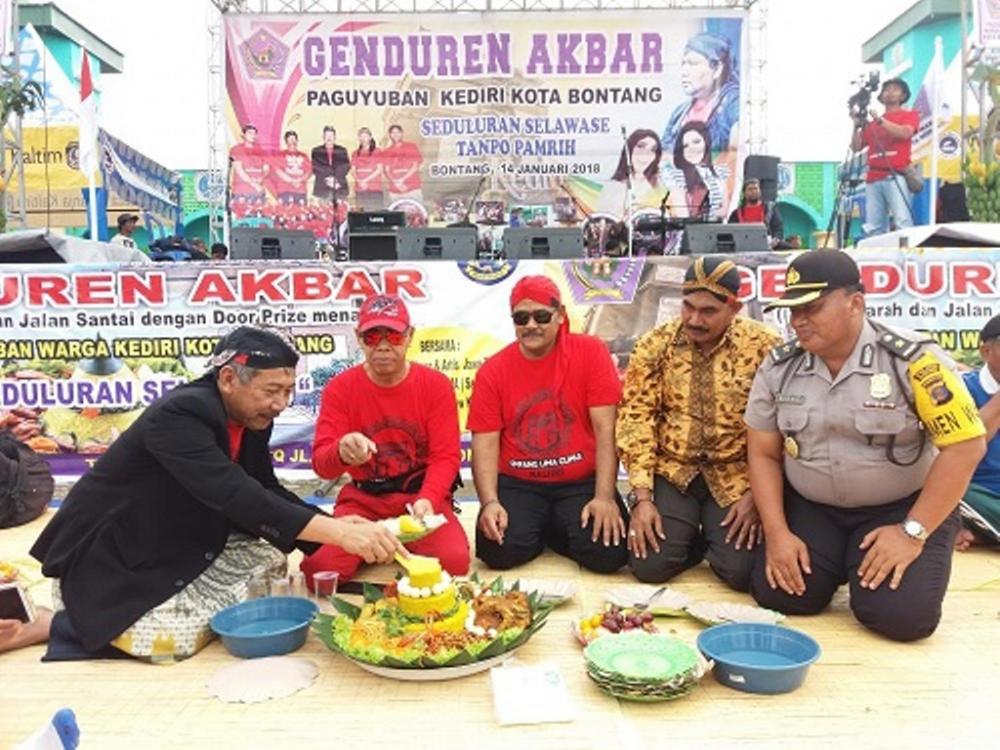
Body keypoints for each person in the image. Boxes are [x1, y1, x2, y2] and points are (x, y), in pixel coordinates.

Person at [29, 327, 402, 661]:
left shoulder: (250, 414)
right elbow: (235, 494)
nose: (280, 403)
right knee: (174, 641)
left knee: (269, 562)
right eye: (271, 391)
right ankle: (58, 624)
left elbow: (264, 487)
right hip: (114, 548)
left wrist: (330, 528)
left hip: (175, 531)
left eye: (287, 391)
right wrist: (339, 534)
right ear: (227, 379)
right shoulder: (180, 414)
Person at [744, 250, 986, 642]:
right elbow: (764, 453)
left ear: (855, 303)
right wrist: (777, 533)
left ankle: (879, 556)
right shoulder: (779, 367)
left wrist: (912, 533)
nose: (799, 321)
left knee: (902, 619)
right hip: (814, 507)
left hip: (899, 507)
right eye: (793, 310)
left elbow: (965, 447)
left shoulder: (914, 361)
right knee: (780, 595)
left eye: (812, 307)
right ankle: (842, 562)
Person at [617, 257, 782, 589]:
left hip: (737, 474)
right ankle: (687, 534)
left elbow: (784, 424)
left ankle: (710, 537)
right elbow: (636, 418)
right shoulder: (655, 344)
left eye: (708, 311)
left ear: (734, 307)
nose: (694, 319)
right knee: (649, 566)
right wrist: (642, 498)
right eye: (688, 306)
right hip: (674, 470)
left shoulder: (764, 346)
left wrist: (757, 495)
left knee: (741, 572)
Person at [301, 294, 469, 584]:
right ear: (358, 337)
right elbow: (321, 464)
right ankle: (385, 546)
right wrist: (341, 451)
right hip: (364, 501)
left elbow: (446, 457)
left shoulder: (435, 385)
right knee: (319, 571)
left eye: (392, 335)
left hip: (417, 498)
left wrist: (428, 498)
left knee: (455, 562)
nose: (382, 345)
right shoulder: (340, 389)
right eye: (371, 336)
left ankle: (385, 547)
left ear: (409, 336)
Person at [469, 275, 628, 574]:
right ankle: (547, 526)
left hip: (581, 480)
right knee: (498, 551)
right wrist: (489, 502)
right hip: (519, 482)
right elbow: (485, 443)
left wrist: (605, 496)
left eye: (541, 316)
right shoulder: (493, 370)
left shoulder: (591, 352)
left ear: (560, 315)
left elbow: (607, 430)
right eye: (521, 317)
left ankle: (550, 526)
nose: (531, 325)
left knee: (609, 554)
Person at [851, 77, 919, 237]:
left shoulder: (909, 115)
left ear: (903, 96)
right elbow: (856, 147)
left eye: (895, 89)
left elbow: (905, 133)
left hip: (895, 174)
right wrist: (855, 125)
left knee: (902, 221)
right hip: (873, 177)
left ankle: (906, 257)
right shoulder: (872, 124)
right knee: (874, 226)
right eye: (887, 89)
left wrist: (881, 121)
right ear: (881, 96)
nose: (890, 92)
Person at [956, 314, 1000, 550]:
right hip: (978, 494)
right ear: (985, 351)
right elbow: (969, 447)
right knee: (947, 489)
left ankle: (983, 533)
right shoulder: (961, 388)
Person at [662, 33, 740, 153]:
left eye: (693, 64)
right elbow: (663, 157)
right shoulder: (679, 113)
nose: (684, 72)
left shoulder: (733, 102)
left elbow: (737, 152)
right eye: (683, 64)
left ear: (717, 69)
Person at [596, 129, 668, 218]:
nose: (646, 154)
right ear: (629, 149)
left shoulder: (662, 185)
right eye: (641, 146)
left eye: (653, 150)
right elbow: (604, 223)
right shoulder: (612, 187)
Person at [665, 121, 725, 219]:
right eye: (685, 146)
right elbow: (682, 213)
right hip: (690, 230)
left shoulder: (719, 173)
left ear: (706, 142)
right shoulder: (675, 175)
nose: (691, 149)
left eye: (696, 142)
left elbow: (723, 211)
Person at [727, 177, 784, 247]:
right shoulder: (736, 214)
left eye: (756, 188)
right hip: (743, 248)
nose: (753, 191)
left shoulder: (770, 208)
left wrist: (776, 239)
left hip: (768, 247)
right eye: (750, 189)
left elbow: (778, 228)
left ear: (760, 191)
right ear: (744, 193)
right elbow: (730, 232)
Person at [229, 124, 269, 205]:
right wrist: (254, 185)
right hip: (241, 192)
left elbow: (266, 169)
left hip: (258, 192)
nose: (253, 135)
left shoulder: (261, 151)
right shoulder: (236, 149)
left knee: (258, 215)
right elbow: (239, 170)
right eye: (250, 133)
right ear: (243, 135)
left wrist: (261, 178)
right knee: (241, 216)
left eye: (254, 133)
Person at [310, 125, 351, 204]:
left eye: (331, 135)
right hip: (322, 189)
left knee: (341, 214)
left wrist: (334, 179)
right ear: (323, 137)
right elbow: (316, 167)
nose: (329, 138)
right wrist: (329, 179)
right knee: (323, 214)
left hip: (339, 188)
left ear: (335, 137)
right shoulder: (316, 151)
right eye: (327, 135)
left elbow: (346, 167)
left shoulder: (342, 150)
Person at [383, 124, 423, 203]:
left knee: (416, 214)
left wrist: (401, 180)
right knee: (397, 214)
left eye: (398, 132)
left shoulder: (411, 146)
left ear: (402, 134)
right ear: (390, 135)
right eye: (393, 133)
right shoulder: (387, 151)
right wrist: (396, 183)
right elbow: (387, 171)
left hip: (412, 189)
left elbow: (415, 166)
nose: (396, 135)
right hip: (395, 191)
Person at [273, 130, 312, 205]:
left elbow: (309, 171)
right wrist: (292, 181)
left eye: (294, 139)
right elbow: (278, 171)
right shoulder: (280, 155)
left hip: (300, 191)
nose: (292, 141)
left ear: (297, 141)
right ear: (286, 141)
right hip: (285, 190)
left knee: (302, 215)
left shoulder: (304, 155)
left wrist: (300, 180)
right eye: (290, 139)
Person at [352, 127, 384, 211]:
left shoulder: (377, 151)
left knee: (376, 215)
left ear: (370, 137)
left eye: (365, 136)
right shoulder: (355, 153)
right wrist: (360, 181)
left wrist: (365, 181)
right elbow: (353, 171)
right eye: (361, 136)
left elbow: (379, 169)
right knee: (361, 217)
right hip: (360, 190)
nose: (363, 139)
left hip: (374, 189)